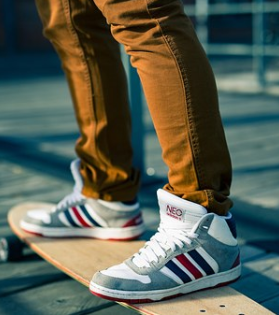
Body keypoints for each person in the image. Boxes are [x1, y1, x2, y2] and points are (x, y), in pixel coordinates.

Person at [20, 0, 240, 303]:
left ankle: (200, 226)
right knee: (71, 27)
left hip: (200, 224)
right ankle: (106, 193)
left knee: (142, 14)